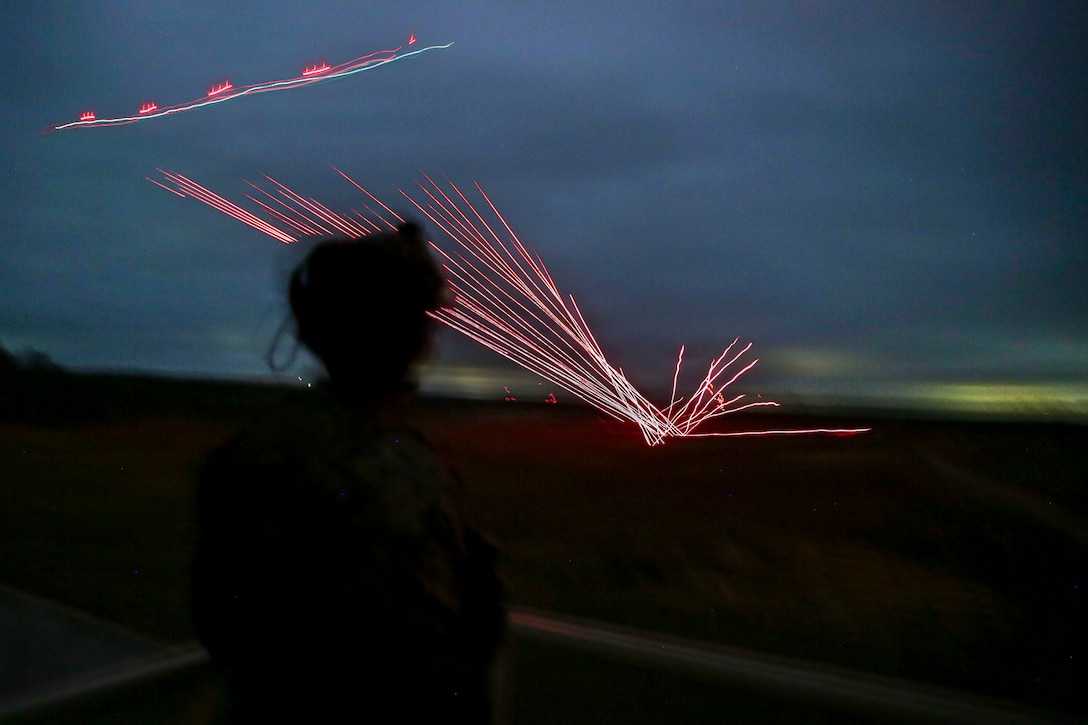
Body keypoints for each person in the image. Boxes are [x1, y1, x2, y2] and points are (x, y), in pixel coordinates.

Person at [191, 223, 505, 723]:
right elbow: (452, 633)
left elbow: (222, 622)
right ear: (413, 336)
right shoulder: (403, 466)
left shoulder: (251, 452)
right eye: (426, 320)